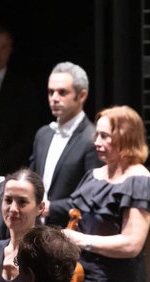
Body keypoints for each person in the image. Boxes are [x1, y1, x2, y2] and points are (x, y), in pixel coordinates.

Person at [50, 105, 150, 282]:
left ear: (125, 138)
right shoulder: (94, 176)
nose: (97, 142)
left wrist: (82, 240)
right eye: (97, 135)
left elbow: (131, 244)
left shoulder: (139, 181)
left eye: (105, 136)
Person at [29, 62, 101, 202]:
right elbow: (33, 181)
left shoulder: (92, 138)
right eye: (51, 92)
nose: (54, 98)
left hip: (71, 223)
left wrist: (50, 209)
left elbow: (91, 196)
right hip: (38, 223)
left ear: (82, 96)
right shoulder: (43, 135)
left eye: (62, 92)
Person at [0, 24, 38, 172]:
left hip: (10, 169)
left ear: (10, 50)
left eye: (3, 47)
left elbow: (27, 134)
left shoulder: (23, 87)